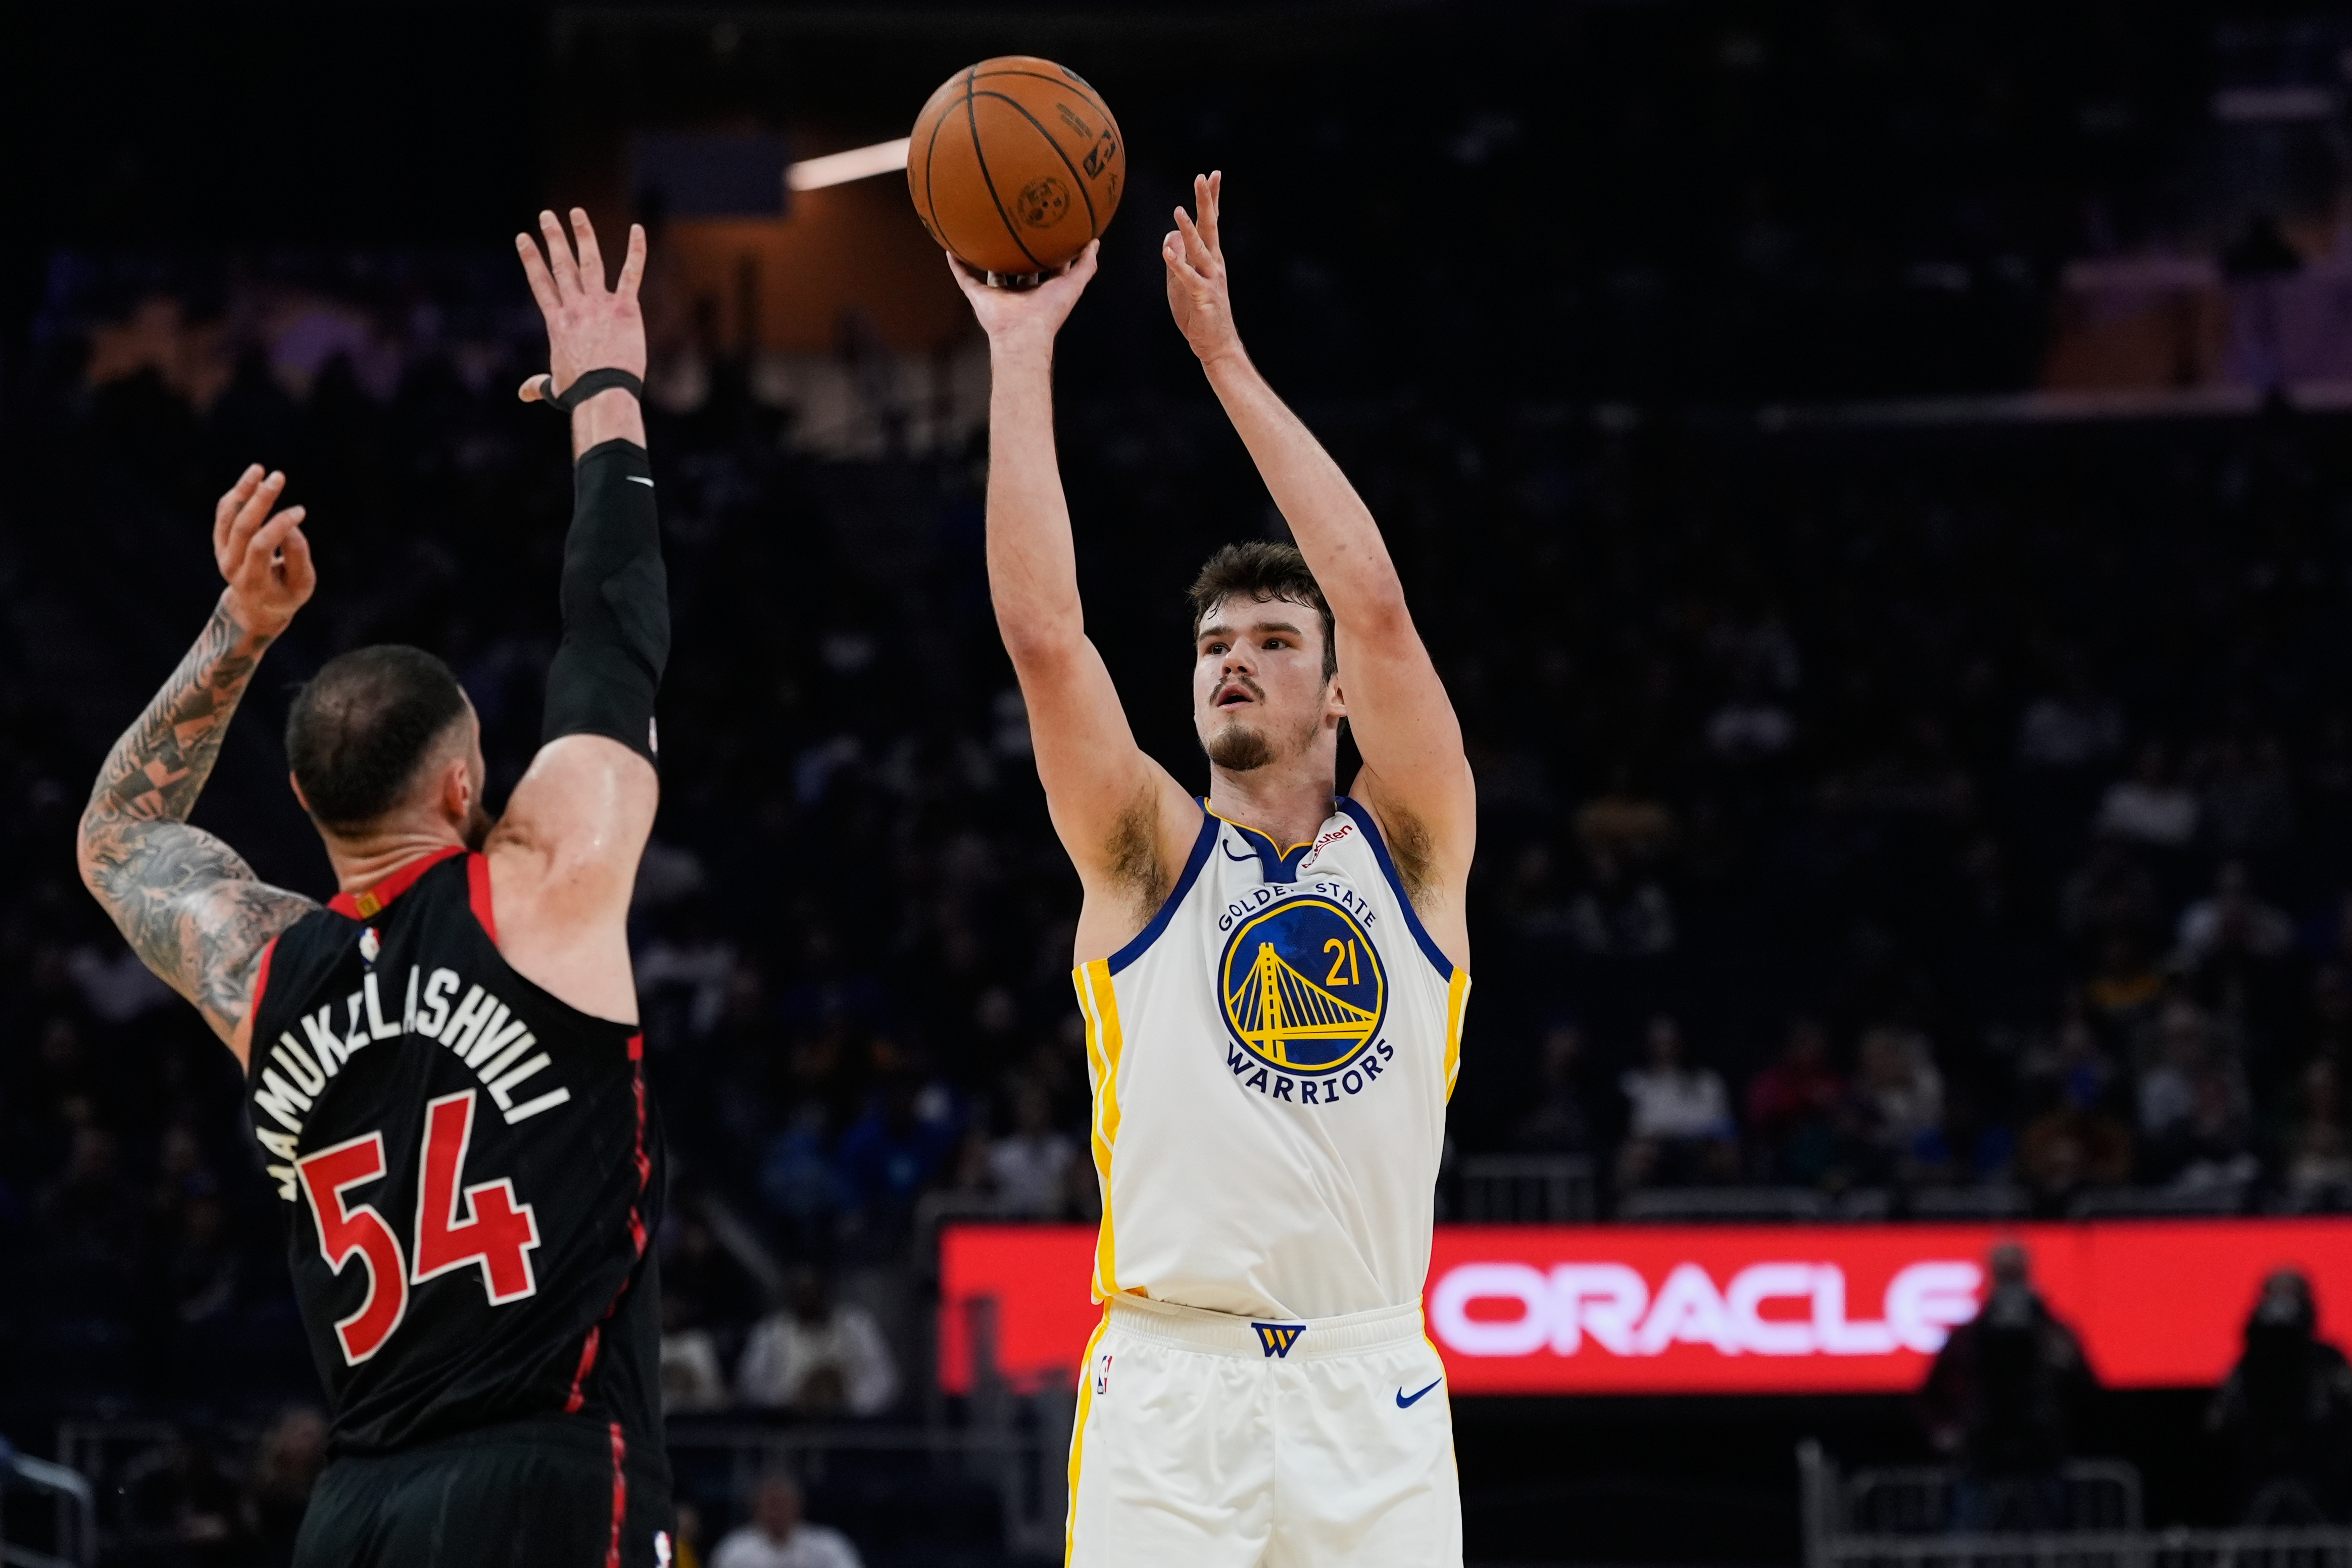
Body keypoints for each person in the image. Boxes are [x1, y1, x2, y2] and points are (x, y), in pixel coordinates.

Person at [74, 210, 676, 1566]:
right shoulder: (543, 885)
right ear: (470, 789)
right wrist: (607, 390)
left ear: (300, 805)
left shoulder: (261, 969)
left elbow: (117, 833)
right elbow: (614, 629)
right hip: (546, 1468)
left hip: (356, 1509)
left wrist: (240, 629)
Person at [951, 172, 1475, 1565]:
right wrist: (1018, 355)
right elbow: (1046, 639)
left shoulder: (1412, 845)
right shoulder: (1146, 855)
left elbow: (1376, 604)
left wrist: (1226, 362)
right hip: (1171, 1386)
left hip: (1374, 1381)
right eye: (1210, 645)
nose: (1232, 659)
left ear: (1338, 693)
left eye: (1270, 642)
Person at [1920, 1242, 2099, 1530]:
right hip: (1982, 1456)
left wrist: (2065, 1368)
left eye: (2015, 1272)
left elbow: (2089, 1391)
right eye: (2005, 1272)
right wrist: (1945, 1431)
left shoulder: (2054, 1334)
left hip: (2041, 1454)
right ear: (1992, 1274)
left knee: (2051, 1545)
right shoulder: (1969, 1336)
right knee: (1970, 1542)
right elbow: (1929, 1392)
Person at [2208, 1269, 2352, 1522]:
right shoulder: (2248, 1368)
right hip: (2259, 1474)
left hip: (2319, 1475)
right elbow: (2218, 1420)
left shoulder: (2328, 1361)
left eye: (2292, 1298)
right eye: (2276, 1297)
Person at [734, 1267, 899, 1417]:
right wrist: (794, 1399)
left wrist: (847, 1396)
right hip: (786, 1424)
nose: (808, 1299)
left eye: (813, 1291)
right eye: (802, 1292)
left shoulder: (858, 1326)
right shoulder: (770, 1332)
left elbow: (886, 1380)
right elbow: (750, 1385)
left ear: (825, 1292)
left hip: (850, 1425)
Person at [709, 1474, 861, 1568]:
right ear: (756, 1508)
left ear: (799, 1506)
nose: (776, 1512)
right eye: (770, 1505)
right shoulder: (735, 1549)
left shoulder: (829, 1544)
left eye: (783, 1504)